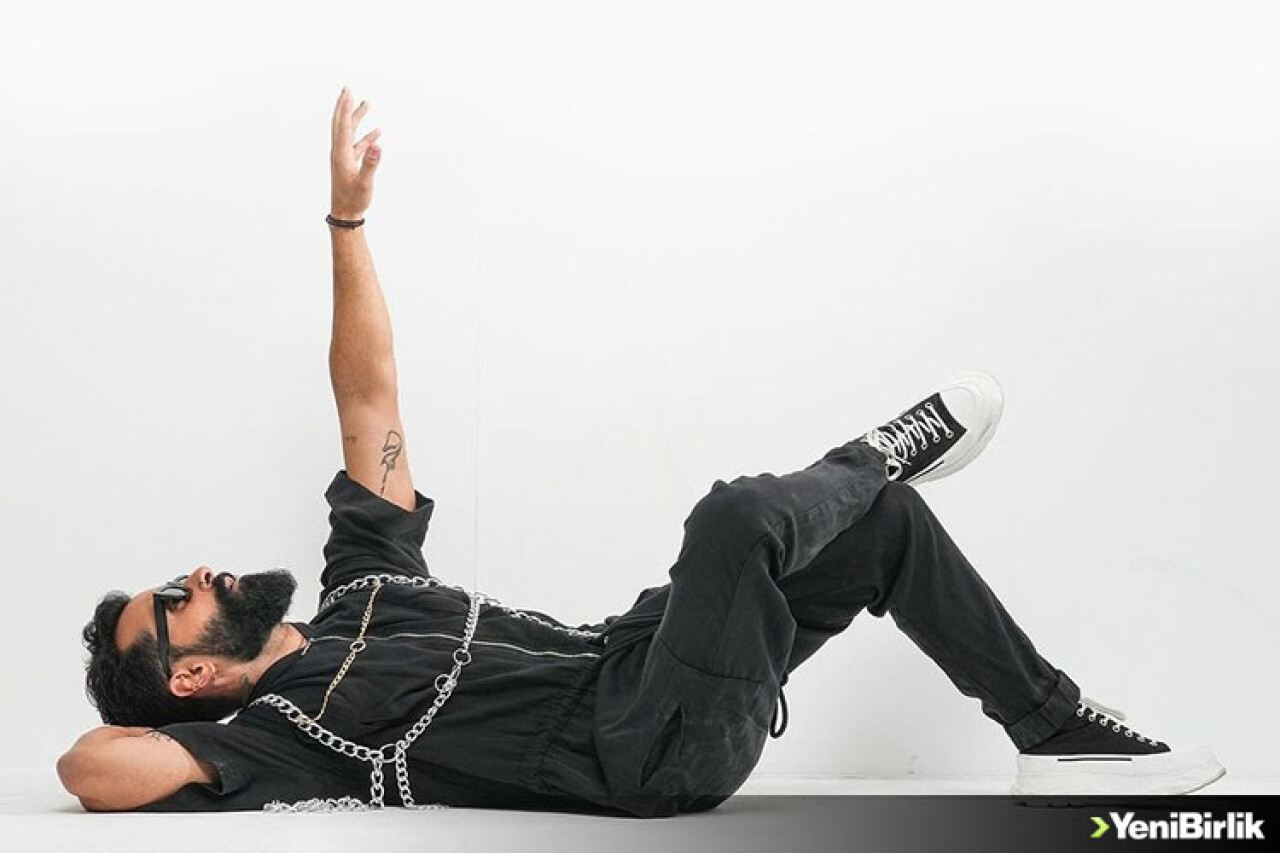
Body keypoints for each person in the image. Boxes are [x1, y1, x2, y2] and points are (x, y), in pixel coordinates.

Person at [56, 88, 1225, 817]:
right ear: (191, 677)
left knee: (873, 528)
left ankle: (1051, 731)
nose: (195, 574)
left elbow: (368, 396)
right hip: (639, 753)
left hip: (643, 659)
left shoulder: (367, 581)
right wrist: (185, 734)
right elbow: (88, 769)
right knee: (735, 516)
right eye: (174, 602)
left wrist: (346, 218)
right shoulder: (277, 739)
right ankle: (876, 451)